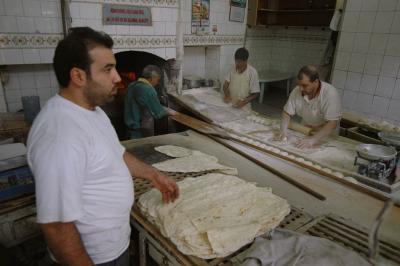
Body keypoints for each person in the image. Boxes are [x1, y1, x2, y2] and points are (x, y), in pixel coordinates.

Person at [27, 27, 179, 266]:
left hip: (114, 247)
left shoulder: (92, 112)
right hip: (92, 258)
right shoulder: (60, 134)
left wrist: (153, 175)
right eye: (108, 69)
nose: (118, 78)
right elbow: (56, 226)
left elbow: (116, 154)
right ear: (78, 76)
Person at [279, 65, 342, 149]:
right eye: (299, 85)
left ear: (316, 82)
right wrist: (283, 130)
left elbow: (332, 123)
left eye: (305, 85)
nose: (301, 89)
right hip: (306, 128)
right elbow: (287, 112)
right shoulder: (297, 90)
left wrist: (313, 140)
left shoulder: (330, 94)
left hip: (324, 133)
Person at [124, 65, 175, 139]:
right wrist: (170, 111)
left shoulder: (132, 85)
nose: (157, 83)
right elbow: (158, 114)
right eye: (157, 80)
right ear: (152, 78)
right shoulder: (148, 90)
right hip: (139, 132)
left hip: (128, 129)